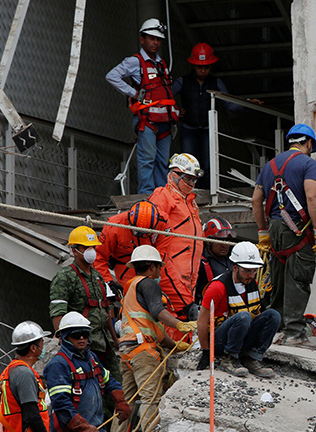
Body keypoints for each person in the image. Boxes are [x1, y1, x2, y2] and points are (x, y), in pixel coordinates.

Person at [112, 246, 195, 432]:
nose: (160, 272)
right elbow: (158, 312)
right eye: (159, 267)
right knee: (151, 398)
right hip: (143, 352)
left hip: (127, 351)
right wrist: (180, 324)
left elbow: (153, 328)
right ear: (151, 266)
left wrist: (174, 345)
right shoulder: (149, 284)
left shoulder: (131, 288)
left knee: (127, 402)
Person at [251, 124, 316, 346]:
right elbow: (312, 197)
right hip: (298, 229)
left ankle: (277, 329)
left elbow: (256, 200)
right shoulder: (308, 163)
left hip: (274, 227)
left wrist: (263, 231)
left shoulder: (269, 166)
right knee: (298, 278)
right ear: (308, 143)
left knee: (279, 276)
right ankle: (294, 332)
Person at [45, 312, 130, 432]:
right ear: (65, 337)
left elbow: (109, 381)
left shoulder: (91, 358)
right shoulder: (58, 365)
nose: (82, 338)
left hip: (97, 430)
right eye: (77, 335)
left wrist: (120, 401)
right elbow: (61, 404)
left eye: (85, 334)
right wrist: (83, 427)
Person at [49, 226, 121, 417]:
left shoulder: (97, 277)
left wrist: (115, 339)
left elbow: (105, 311)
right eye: (86, 247)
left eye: (93, 247)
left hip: (103, 343)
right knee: (91, 391)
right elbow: (58, 310)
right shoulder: (65, 277)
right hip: (83, 343)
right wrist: (63, 340)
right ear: (75, 250)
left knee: (115, 386)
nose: (92, 251)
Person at [105, 19, 177, 194]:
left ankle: (161, 196)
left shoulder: (162, 63)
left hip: (165, 122)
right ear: (142, 39)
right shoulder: (135, 61)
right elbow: (112, 76)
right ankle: (146, 197)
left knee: (163, 161)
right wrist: (133, 93)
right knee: (147, 160)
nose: (155, 42)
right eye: (151, 38)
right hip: (148, 121)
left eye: (158, 39)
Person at [197, 241, 281, 378]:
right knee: (243, 316)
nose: (252, 275)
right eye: (247, 271)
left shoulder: (251, 283)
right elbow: (201, 321)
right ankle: (229, 359)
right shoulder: (218, 287)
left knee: (273, 315)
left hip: (241, 337)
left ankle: (252, 358)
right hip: (220, 341)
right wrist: (206, 351)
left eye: (254, 271)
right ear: (235, 268)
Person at [172, 43, 244, 189]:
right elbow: (167, 97)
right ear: (194, 66)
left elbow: (228, 103)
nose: (203, 70)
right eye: (200, 67)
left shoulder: (215, 82)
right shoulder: (183, 81)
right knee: (188, 164)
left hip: (207, 129)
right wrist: (175, 111)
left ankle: (206, 192)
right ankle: (188, 192)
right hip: (188, 129)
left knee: (208, 163)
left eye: (207, 67)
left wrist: (247, 104)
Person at [0, 321, 63, 432]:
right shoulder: (24, 374)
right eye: (41, 343)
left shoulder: (13, 370)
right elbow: (31, 414)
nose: (43, 347)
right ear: (33, 348)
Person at [147, 153, 204, 324]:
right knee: (174, 309)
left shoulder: (190, 202)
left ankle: (183, 345)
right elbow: (151, 231)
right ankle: (173, 344)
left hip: (191, 270)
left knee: (187, 312)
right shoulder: (163, 196)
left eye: (194, 180)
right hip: (172, 268)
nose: (192, 184)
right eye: (188, 179)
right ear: (175, 174)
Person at [94, 201, 165, 298]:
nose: (141, 236)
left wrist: (157, 273)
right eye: (138, 232)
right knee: (130, 298)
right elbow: (99, 257)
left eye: (145, 233)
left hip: (153, 268)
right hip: (124, 268)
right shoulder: (114, 226)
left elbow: (163, 253)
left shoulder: (163, 223)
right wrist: (108, 282)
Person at [195, 217, 234, 304]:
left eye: (227, 240)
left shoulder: (232, 261)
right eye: (220, 241)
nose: (225, 245)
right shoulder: (200, 263)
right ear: (208, 241)